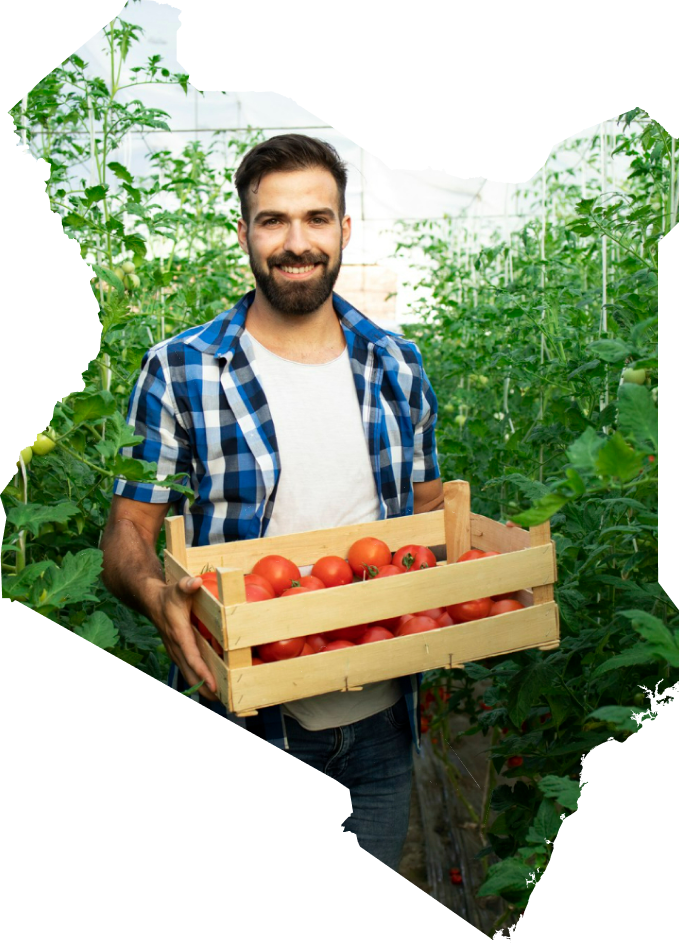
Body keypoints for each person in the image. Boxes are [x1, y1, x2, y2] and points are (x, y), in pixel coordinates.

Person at [100, 133, 444, 872]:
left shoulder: (398, 365)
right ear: (244, 232)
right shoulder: (181, 369)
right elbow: (126, 531)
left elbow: (428, 519)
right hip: (245, 711)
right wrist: (155, 590)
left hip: (383, 723)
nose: (296, 242)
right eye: (273, 220)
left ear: (344, 230)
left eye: (316, 219)